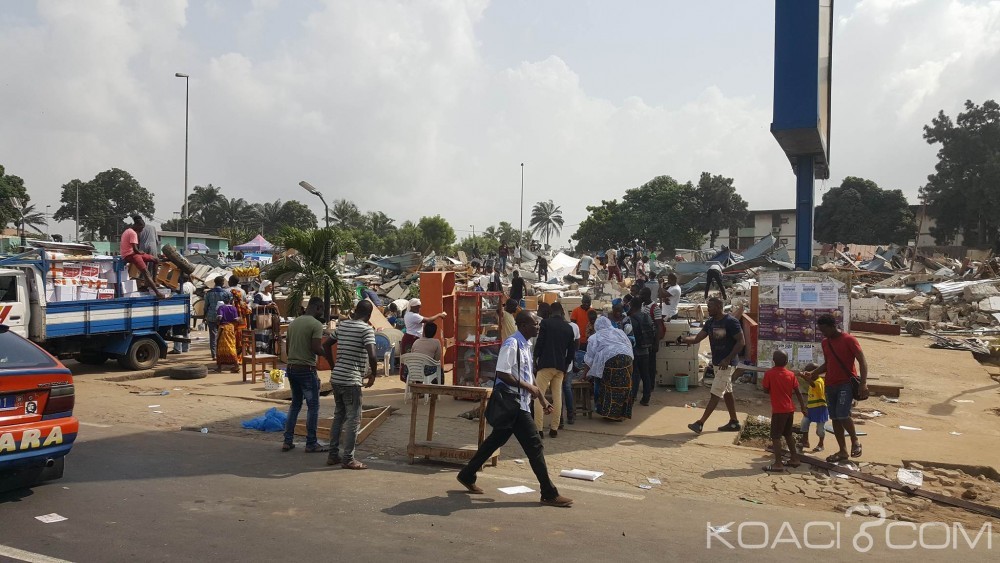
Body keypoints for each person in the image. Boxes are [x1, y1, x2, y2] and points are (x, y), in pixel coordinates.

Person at [456, 311, 573, 508]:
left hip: (521, 402)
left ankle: (467, 474)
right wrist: (529, 388)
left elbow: (528, 375)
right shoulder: (512, 344)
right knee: (535, 446)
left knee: (496, 440)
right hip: (514, 403)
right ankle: (549, 492)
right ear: (523, 325)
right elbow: (502, 373)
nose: (538, 326)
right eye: (535, 323)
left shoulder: (526, 345)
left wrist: (542, 398)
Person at [323, 300, 378, 469]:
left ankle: (333, 455)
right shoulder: (366, 329)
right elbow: (373, 355)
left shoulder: (344, 325)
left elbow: (326, 345)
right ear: (369, 316)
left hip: (337, 378)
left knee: (339, 416)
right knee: (354, 419)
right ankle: (348, 458)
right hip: (351, 380)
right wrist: (373, 374)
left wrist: (333, 366)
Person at [806, 314, 868, 462]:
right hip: (830, 385)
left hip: (845, 384)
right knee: (834, 418)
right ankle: (842, 451)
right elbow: (828, 363)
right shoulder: (825, 342)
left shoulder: (849, 340)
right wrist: (814, 373)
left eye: (824, 330)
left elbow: (862, 361)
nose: (823, 333)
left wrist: (863, 383)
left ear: (833, 326)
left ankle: (855, 441)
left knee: (842, 414)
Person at [682, 297, 745, 434]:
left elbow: (741, 342)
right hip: (717, 363)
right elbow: (698, 338)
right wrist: (683, 339)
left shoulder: (730, 322)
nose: (708, 309)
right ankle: (734, 422)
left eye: (710, 307)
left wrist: (728, 359)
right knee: (727, 392)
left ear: (718, 306)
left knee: (715, 392)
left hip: (726, 365)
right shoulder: (710, 322)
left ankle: (700, 423)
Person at [282, 297, 329, 453]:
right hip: (306, 370)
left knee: (295, 405)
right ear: (318, 308)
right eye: (322, 310)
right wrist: (327, 355)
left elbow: (288, 350)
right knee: (313, 407)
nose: (322, 313)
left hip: (291, 368)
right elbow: (316, 347)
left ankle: (287, 440)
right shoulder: (316, 324)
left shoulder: (293, 323)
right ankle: (311, 443)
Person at [532, 302, 577, 438]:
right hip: (560, 368)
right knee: (558, 397)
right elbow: (572, 351)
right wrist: (566, 364)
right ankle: (554, 429)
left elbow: (540, 342)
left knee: (539, 397)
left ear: (551, 312)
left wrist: (534, 358)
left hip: (545, 364)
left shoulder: (545, 323)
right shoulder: (569, 328)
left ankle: (539, 429)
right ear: (562, 312)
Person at [581, 316, 634, 421]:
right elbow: (629, 345)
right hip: (627, 358)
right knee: (624, 386)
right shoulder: (619, 332)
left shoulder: (595, 337)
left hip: (610, 360)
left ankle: (610, 414)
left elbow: (589, 359)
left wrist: (584, 374)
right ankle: (621, 414)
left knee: (608, 387)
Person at [761, 350, 807, 472]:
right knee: (787, 434)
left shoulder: (769, 374)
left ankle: (778, 463)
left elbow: (765, 390)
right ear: (787, 362)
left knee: (775, 436)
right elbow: (798, 392)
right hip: (789, 409)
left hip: (778, 410)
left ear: (773, 360)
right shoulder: (791, 375)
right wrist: (803, 407)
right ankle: (795, 458)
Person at [120, 215, 161, 296]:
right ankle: (158, 293)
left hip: (132, 253)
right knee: (146, 271)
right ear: (137, 225)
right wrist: (141, 253)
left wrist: (141, 252)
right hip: (131, 255)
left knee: (156, 260)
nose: (142, 230)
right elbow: (135, 249)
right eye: (141, 228)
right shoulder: (133, 233)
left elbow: (136, 249)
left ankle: (153, 280)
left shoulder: (128, 231)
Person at [628, 295, 655, 406]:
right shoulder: (646, 316)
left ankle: (633, 396)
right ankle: (646, 398)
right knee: (645, 375)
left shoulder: (631, 319)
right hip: (646, 350)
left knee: (635, 374)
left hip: (634, 351)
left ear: (632, 306)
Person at [797, 362, 827, 453]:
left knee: (820, 431)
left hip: (820, 409)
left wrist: (803, 377)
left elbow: (813, 385)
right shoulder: (812, 382)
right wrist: (806, 406)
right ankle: (805, 441)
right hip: (811, 407)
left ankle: (821, 444)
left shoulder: (819, 381)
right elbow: (811, 396)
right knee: (804, 423)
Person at [640, 286, 664, 391]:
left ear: (646, 295)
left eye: (641, 295)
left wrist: (656, 343)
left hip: (651, 340)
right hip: (643, 339)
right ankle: (646, 385)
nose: (640, 296)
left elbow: (659, 326)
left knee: (651, 364)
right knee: (644, 364)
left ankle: (650, 386)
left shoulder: (655, 308)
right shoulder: (642, 305)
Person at [204, 276, 232, 361]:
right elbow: (230, 305)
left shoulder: (208, 293)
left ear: (215, 283)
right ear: (222, 283)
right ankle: (223, 353)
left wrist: (204, 316)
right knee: (223, 336)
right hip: (223, 316)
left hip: (211, 316)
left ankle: (214, 355)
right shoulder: (226, 293)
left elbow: (206, 306)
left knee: (213, 336)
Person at [170, 274, 196, 354]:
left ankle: (177, 349)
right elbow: (195, 288)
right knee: (186, 329)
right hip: (190, 309)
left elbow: (178, 293)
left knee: (177, 329)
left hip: (181, 309)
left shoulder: (183, 287)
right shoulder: (190, 285)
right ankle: (186, 348)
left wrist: (170, 288)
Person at [215, 303, 242, 373]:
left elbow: (219, 317)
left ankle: (219, 367)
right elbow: (236, 319)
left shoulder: (221, 307)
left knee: (220, 347)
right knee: (231, 346)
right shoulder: (234, 308)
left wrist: (218, 322)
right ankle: (236, 365)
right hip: (231, 328)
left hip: (223, 329)